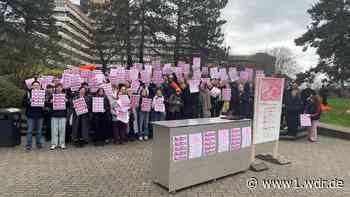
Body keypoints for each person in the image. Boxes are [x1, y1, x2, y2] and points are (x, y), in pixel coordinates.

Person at [22, 81, 44, 152]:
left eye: (37, 85)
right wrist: (29, 101)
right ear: (32, 86)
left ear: (40, 87)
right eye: (34, 85)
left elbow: (46, 104)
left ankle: (39, 144)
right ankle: (28, 146)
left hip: (40, 115)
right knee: (29, 131)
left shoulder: (42, 94)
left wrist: (44, 102)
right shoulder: (28, 94)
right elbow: (23, 104)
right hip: (30, 115)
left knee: (39, 131)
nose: (36, 86)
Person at [50, 83, 69, 150]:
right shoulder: (52, 95)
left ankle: (62, 143)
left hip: (63, 115)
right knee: (54, 130)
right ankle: (54, 144)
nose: (59, 88)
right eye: (57, 87)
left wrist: (67, 101)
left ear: (62, 88)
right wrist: (50, 102)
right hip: (54, 115)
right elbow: (47, 104)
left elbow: (69, 104)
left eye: (60, 87)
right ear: (55, 88)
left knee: (62, 130)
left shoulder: (65, 95)